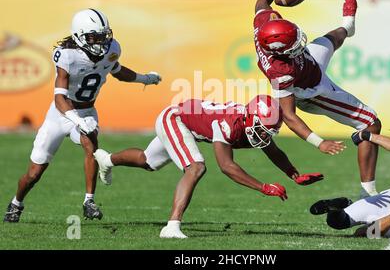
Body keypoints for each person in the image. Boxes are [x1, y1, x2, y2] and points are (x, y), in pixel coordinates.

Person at [3, 8, 162, 223]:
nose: (100, 42)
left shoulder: (111, 49)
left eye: (103, 36)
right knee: (34, 173)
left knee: (91, 144)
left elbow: (117, 71)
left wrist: (144, 79)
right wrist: (77, 121)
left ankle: (89, 201)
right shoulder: (67, 55)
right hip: (61, 115)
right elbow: (59, 99)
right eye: (94, 37)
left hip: (87, 110)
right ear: (79, 35)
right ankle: (16, 202)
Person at [94, 95, 324, 238]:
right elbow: (226, 166)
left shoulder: (252, 123)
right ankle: (172, 226)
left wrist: (295, 175)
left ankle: (107, 159)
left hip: (189, 124)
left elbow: (273, 151)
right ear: (249, 118)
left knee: (147, 162)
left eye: (268, 131)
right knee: (196, 167)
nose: (264, 135)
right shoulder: (229, 124)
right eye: (262, 128)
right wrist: (263, 187)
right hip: (175, 118)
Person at [253, 0, 382, 198]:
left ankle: (348, 26)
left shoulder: (264, 24)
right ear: (281, 52)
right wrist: (318, 142)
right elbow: (289, 115)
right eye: (293, 43)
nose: (298, 41)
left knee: (335, 37)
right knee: (371, 123)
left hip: (307, 62)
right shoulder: (280, 72)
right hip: (312, 90)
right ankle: (369, 192)